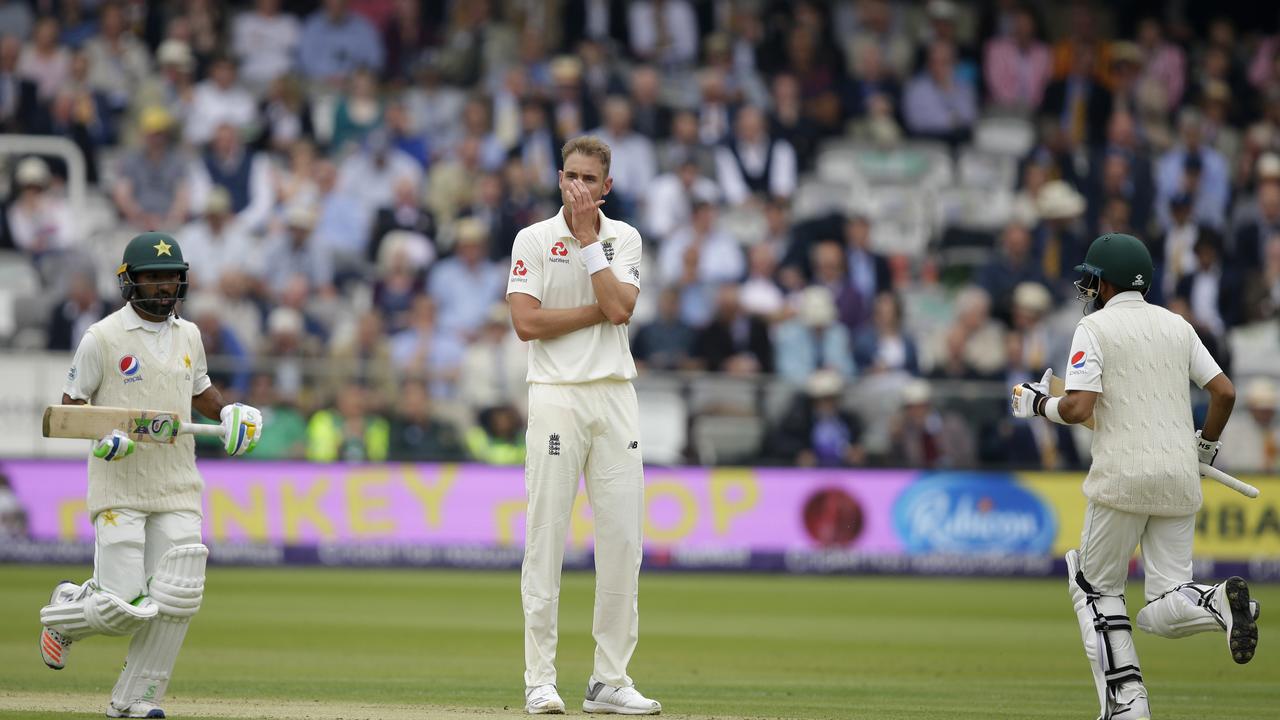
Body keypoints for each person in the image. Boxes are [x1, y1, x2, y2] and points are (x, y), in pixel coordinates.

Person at [1010, 232, 1258, 720]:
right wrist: (1203, 448)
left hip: (1122, 477)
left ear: (1105, 283)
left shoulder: (1095, 329)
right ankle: (1215, 602)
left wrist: (1036, 403)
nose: (1088, 288)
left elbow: (1080, 406)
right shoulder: (1177, 325)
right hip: (1179, 478)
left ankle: (1128, 704)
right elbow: (1225, 393)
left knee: (1094, 587)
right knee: (1165, 603)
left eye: (1092, 280)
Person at [38, 232, 263, 719]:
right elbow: (69, 412)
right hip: (120, 484)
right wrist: (103, 438)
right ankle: (64, 612)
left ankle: (136, 700)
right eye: (152, 278)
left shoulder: (190, 336)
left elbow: (199, 390)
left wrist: (227, 414)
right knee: (122, 608)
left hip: (178, 481)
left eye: (170, 278)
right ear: (129, 282)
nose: (163, 287)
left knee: (178, 597)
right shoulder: (102, 338)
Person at [506, 136, 661, 715]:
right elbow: (526, 322)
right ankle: (539, 678)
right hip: (556, 397)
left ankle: (608, 680)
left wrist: (592, 244)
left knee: (623, 540)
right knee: (546, 536)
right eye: (570, 176)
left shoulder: (624, 238)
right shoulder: (533, 239)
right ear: (559, 179)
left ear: (607, 186)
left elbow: (621, 307)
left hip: (615, 396)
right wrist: (600, 308)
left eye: (589, 179)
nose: (578, 187)